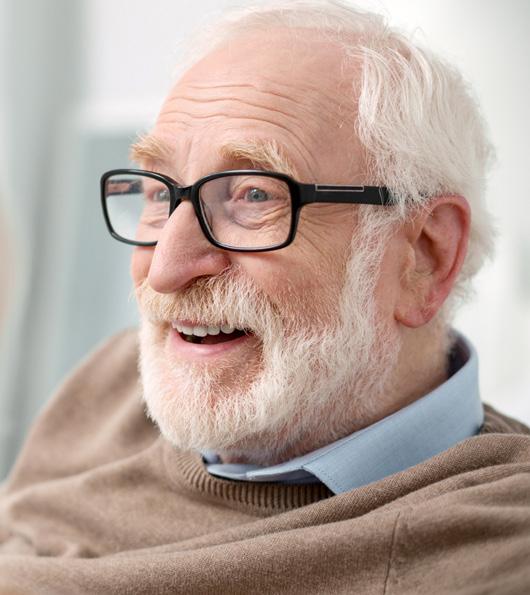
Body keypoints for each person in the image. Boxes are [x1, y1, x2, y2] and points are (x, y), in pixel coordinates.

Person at [1, 1, 529, 593]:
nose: (166, 269)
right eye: (158, 193)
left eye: (254, 195)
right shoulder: (114, 384)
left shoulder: (493, 551)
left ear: (424, 257)